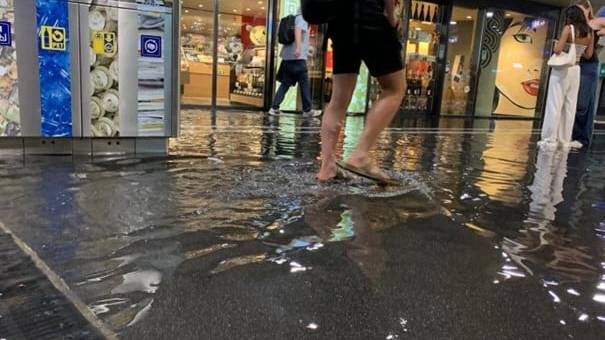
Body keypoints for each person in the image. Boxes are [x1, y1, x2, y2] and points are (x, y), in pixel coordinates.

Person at [317, 0, 405, 184]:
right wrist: (391, 15)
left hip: (340, 22)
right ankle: (360, 155)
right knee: (395, 88)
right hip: (371, 17)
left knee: (338, 99)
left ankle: (327, 167)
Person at [538, 6, 593, 149]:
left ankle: (550, 139)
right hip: (576, 69)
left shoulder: (569, 29)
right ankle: (564, 140)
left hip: (562, 69)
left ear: (569, 17)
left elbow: (557, 50)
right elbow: (588, 55)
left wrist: (557, 43)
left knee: (555, 104)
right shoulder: (589, 32)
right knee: (570, 105)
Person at [269, 8, 321, 118]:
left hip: (287, 58)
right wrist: (298, 48)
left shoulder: (294, 19)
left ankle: (274, 108)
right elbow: (297, 30)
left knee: (285, 84)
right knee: (304, 83)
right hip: (298, 58)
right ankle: (307, 110)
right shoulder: (302, 18)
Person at [572, 0, 600, 148]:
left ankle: (582, 138)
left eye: (583, 8)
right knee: (573, 101)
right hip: (575, 63)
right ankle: (573, 135)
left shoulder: (594, 23)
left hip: (589, 65)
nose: (581, 11)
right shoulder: (574, 24)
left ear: (589, 9)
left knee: (583, 103)